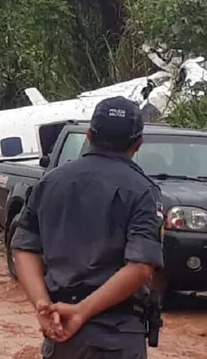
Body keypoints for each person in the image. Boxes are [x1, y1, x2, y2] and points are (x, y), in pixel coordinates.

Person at [10, 96, 164, 359]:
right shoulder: (143, 191)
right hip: (116, 337)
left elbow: (23, 247)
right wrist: (81, 312)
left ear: (89, 134)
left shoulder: (51, 182)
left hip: (61, 335)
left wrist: (42, 305)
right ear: (138, 143)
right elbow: (139, 267)